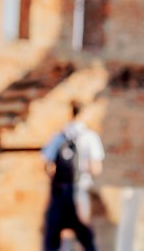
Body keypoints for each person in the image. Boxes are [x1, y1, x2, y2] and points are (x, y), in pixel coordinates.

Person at [41, 100, 105, 251]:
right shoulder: (90, 137)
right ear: (84, 113)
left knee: (52, 238)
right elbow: (96, 168)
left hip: (59, 192)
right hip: (80, 190)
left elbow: (48, 167)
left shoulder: (58, 137)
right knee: (86, 238)